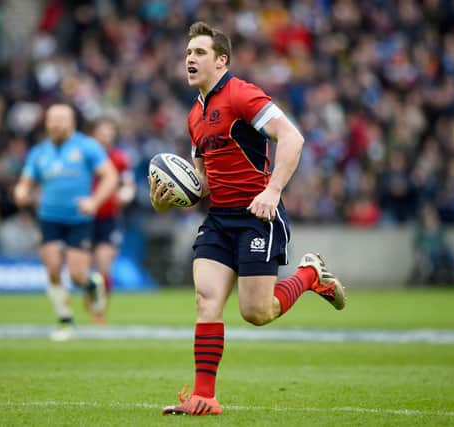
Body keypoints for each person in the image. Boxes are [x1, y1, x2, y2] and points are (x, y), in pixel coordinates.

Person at [149, 22, 347, 416]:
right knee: (206, 299)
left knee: (257, 313)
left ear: (221, 60)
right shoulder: (194, 116)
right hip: (220, 219)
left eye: (200, 53)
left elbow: (293, 138)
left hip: (259, 216)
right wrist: (165, 201)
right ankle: (204, 396)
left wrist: (272, 191)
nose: (190, 59)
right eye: (188, 53)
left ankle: (310, 275)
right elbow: (202, 181)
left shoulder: (242, 94)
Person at [14, 104, 118, 341]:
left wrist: (94, 201)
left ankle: (92, 284)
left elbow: (110, 176)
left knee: (76, 275)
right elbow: (26, 181)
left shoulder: (87, 147)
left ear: (72, 122)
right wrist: (21, 191)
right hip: (48, 217)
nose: (55, 124)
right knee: (52, 269)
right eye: (51, 119)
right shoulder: (39, 152)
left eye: (61, 119)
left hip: (78, 219)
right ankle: (65, 321)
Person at [90, 117, 136, 321]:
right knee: (85, 270)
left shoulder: (119, 158)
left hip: (108, 218)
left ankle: (99, 311)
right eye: (103, 131)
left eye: (110, 132)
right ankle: (91, 297)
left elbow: (128, 185)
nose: (107, 136)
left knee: (104, 266)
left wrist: (125, 195)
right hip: (84, 218)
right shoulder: (85, 156)